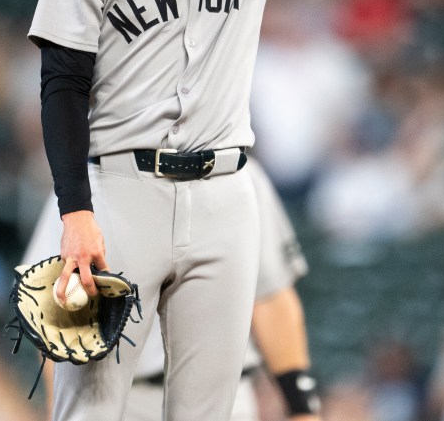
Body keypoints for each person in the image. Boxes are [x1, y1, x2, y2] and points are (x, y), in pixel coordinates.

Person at [27, 0, 384, 420]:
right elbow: (62, 85)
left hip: (226, 195)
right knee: (85, 406)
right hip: (118, 195)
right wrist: (74, 210)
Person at [21, 157, 322, 420]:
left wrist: (301, 406)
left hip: (223, 398)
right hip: (122, 401)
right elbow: (58, 318)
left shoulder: (240, 175)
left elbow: (271, 299)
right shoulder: (84, 190)